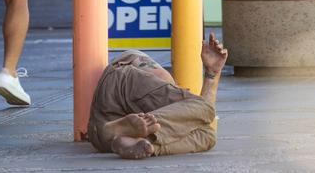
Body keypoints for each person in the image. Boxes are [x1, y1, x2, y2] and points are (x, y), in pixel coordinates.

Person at [88, 33, 228, 160]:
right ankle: (128, 134)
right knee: (203, 116)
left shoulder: (161, 96)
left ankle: (144, 143)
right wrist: (211, 75)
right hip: (123, 82)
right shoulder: (159, 82)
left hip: (103, 124)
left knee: (208, 136)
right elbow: (204, 110)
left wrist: (212, 72)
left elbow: (201, 115)